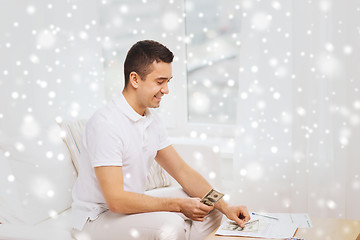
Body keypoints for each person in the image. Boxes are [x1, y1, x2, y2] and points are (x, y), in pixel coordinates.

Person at [71, 40, 250, 240]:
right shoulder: (105, 124)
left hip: (125, 211)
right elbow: (116, 200)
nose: (166, 90)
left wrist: (226, 207)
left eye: (168, 81)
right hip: (97, 218)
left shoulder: (151, 120)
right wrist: (177, 206)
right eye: (159, 81)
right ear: (135, 79)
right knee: (170, 225)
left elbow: (183, 171)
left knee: (209, 204)